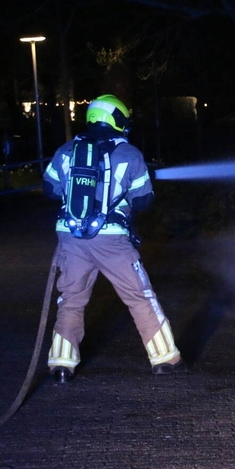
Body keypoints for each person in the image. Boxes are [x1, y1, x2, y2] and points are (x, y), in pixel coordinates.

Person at [43, 94, 186, 381]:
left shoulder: (67, 150)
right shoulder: (129, 154)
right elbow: (143, 201)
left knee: (71, 299)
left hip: (70, 236)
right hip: (112, 240)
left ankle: (61, 363)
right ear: (118, 119)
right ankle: (165, 358)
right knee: (139, 296)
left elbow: (50, 189)